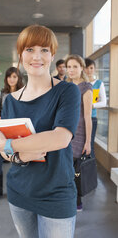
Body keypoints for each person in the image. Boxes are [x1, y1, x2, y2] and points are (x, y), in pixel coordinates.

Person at [0, 25, 81, 238]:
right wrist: (17, 154)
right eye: (29, 49)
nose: (36, 56)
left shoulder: (67, 92)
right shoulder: (10, 101)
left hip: (57, 194)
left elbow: (60, 138)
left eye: (44, 50)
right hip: (19, 192)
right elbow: (4, 155)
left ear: (53, 55)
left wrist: (9, 145)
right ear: (20, 54)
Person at [65, 54, 93, 212]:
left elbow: (87, 116)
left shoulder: (86, 87)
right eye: (69, 67)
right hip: (67, 131)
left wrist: (88, 141)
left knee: (76, 169)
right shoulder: (67, 86)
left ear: (81, 68)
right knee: (67, 167)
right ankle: (69, 199)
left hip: (80, 132)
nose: (71, 70)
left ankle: (77, 202)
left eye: (75, 66)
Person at [0, 67, 23, 201]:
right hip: (2, 132)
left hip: (17, 133)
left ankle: (16, 190)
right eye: (9, 76)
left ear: (18, 78)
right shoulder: (2, 93)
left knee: (16, 163)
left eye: (14, 76)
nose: (12, 79)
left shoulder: (23, 93)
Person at [85, 58, 106, 158]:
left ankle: (90, 170)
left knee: (90, 146)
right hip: (78, 118)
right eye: (86, 68)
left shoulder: (98, 83)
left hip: (91, 118)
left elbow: (103, 103)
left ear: (95, 69)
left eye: (91, 68)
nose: (89, 70)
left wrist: (91, 104)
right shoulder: (80, 83)